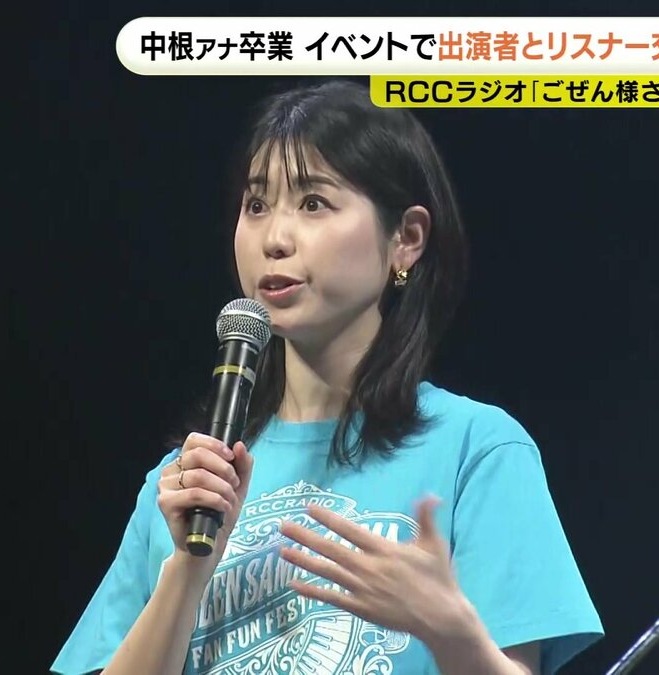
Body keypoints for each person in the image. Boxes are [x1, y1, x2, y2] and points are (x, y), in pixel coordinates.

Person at [50, 78, 604, 675]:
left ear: (406, 239)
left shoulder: (477, 449)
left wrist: (450, 634)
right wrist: (187, 568)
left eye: (313, 203)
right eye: (256, 205)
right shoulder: (188, 484)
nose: (275, 239)